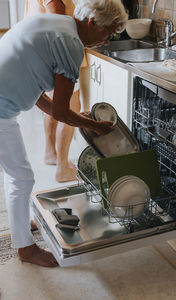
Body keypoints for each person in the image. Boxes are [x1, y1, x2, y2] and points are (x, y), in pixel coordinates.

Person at [0, 0, 128, 267]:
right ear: (93, 22)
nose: (107, 41)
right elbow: (60, 111)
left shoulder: (56, 25)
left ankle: (20, 227)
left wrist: (78, 118)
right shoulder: (70, 43)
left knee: (16, 176)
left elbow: (34, 87)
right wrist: (91, 125)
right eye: (109, 32)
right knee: (21, 178)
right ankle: (25, 248)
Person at [25, 0, 88, 183]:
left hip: (43, 53)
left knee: (53, 104)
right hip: (58, 54)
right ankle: (62, 168)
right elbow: (58, 24)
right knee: (70, 107)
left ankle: (50, 153)